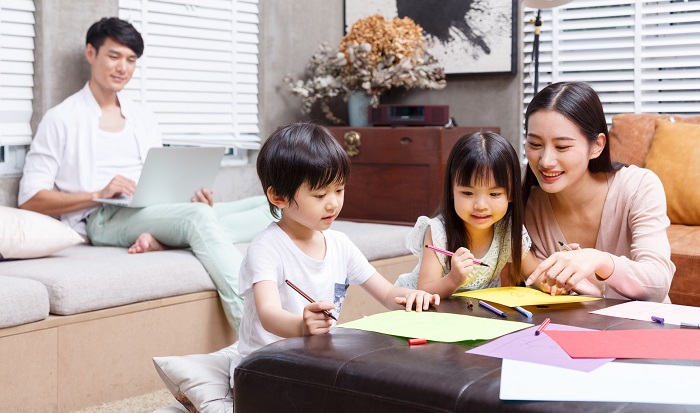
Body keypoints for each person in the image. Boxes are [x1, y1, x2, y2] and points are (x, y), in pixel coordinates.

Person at [17, 17, 273, 333]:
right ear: (90, 53)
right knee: (197, 219)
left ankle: (166, 239)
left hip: (150, 209)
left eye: (131, 59)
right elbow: (29, 200)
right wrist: (98, 192)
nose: (122, 67)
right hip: (101, 218)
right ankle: (255, 329)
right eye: (114, 56)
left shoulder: (142, 117)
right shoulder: (60, 119)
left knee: (272, 208)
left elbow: (159, 177)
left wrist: (188, 197)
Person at [229, 122, 440, 377]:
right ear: (279, 197)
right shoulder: (266, 247)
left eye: (339, 190)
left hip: (313, 361)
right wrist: (301, 326)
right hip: (262, 368)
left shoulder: (340, 244)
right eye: (320, 195)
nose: (333, 204)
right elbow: (268, 314)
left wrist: (413, 297)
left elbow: (386, 293)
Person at [522, 81, 675, 301]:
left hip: (644, 328)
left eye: (562, 147)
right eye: (535, 144)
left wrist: (599, 260)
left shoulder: (639, 186)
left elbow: (658, 283)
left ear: (597, 146)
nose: (545, 161)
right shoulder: (530, 203)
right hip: (572, 328)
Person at [395, 131, 540, 299]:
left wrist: (564, 275)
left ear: (511, 194)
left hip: (468, 314)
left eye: (494, 194)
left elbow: (535, 275)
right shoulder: (438, 232)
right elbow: (424, 290)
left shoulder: (507, 230)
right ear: (451, 190)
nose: (480, 206)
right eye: (468, 193)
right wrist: (454, 279)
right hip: (416, 307)